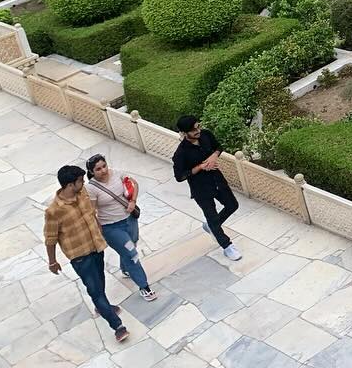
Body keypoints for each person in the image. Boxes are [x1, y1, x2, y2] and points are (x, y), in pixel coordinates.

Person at [44, 165, 129, 342]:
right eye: (80, 181)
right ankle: (117, 326)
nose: (83, 183)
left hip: (96, 247)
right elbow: (50, 238)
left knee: (100, 282)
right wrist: (52, 262)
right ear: (69, 185)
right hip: (80, 256)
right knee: (94, 291)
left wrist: (98, 228)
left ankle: (102, 307)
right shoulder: (54, 211)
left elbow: (91, 214)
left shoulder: (82, 194)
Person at [85, 154, 156, 301]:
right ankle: (144, 286)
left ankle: (125, 269)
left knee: (133, 242)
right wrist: (97, 231)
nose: (103, 171)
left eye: (104, 166)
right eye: (98, 169)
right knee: (131, 253)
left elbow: (134, 184)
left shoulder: (117, 173)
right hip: (111, 227)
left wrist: (133, 201)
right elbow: (91, 212)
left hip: (129, 219)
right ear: (92, 172)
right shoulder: (91, 188)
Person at [173, 116, 242, 261]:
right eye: (194, 130)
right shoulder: (181, 152)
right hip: (201, 188)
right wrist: (200, 167)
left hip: (217, 179)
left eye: (198, 127)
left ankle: (211, 226)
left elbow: (218, 147)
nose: (198, 131)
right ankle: (227, 246)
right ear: (185, 133)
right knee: (212, 215)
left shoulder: (206, 135)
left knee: (232, 205)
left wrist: (214, 156)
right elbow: (179, 176)